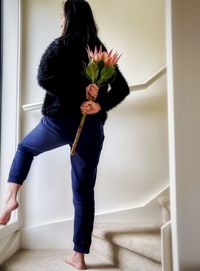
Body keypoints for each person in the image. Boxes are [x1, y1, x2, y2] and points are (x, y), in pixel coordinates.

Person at [0, 0, 129, 269]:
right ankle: (78, 257)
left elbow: (44, 77)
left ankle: (11, 197)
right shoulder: (99, 50)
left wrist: (77, 97)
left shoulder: (60, 45)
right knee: (83, 194)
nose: (60, 19)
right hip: (90, 128)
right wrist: (96, 104)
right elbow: (121, 88)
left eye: (62, 14)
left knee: (25, 148)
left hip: (59, 122)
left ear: (70, 16)